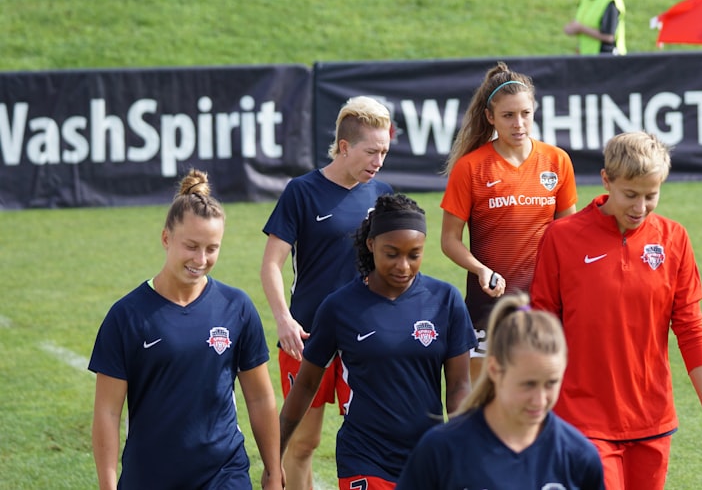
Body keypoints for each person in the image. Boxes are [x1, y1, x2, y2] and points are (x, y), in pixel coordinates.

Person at [531, 131, 702, 489]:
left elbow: (691, 331)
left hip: (653, 421)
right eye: (630, 195)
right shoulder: (561, 238)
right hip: (581, 419)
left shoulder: (674, 239)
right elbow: (542, 330)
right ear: (606, 180)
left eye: (652, 196)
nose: (640, 208)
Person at [89, 168, 282, 490]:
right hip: (151, 476)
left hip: (224, 474)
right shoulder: (127, 316)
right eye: (191, 246)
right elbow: (107, 413)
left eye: (212, 248)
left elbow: (261, 398)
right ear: (167, 238)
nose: (201, 259)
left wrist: (274, 471)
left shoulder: (237, 307)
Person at [278, 193, 477, 490]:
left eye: (414, 254)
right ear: (371, 245)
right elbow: (306, 384)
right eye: (392, 253)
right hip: (364, 457)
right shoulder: (339, 307)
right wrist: (275, 453)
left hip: (427, 457)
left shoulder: (445, 300)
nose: (404, 266)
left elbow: (459, 386)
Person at [260, 95, 393, 490]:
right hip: (307, 337)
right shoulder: (302, 192)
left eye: (384, 151)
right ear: (345, 146)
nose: (378, 161)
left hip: (364, 335)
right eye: (371, 151)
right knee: (303, 442)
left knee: (371, 437)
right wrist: (284, 319)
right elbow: (271, 264)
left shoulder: (381, 193)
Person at [440, 61, 577, 380]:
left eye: (525, 114)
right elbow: (449, 240)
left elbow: (569, 236)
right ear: (490, 117)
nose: (519, 123)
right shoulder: (471, 168)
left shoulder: (557, 161)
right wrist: (481, 269)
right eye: (508, 115)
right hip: (488, 306)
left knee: (538, 398)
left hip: (543, 303)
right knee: (482, 404)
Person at [396, 292, 605, 489]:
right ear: (495, 370)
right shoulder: (441, 449)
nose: (540, 400)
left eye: (551, 383)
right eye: (528, 384)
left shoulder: (578, 456)